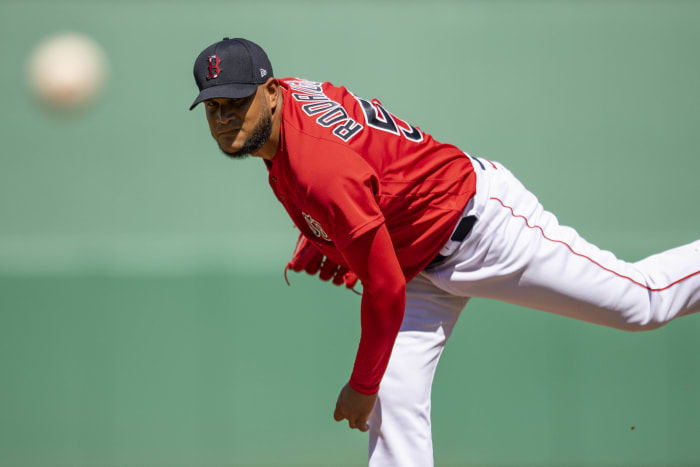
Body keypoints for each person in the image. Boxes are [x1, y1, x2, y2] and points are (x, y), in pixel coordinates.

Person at [189, 37, 700, 467]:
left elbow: (383, 288)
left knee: (642, 303)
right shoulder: (291, 112)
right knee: (396, 405)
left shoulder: (319, 169)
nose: (225, 117)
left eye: (238, 101)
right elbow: (361, 172)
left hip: (481, 229)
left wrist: (361, 383)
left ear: (273, 93)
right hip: (418, 259)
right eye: (214, 106)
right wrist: (330, 236)